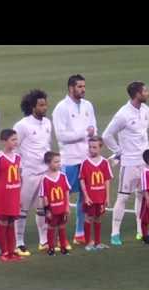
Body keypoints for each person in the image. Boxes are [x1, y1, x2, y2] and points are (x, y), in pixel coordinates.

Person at [102, 81, 149, 245]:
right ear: (137, 94)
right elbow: (107, 135)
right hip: (129, 162)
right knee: (123, 197)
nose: (147, 93)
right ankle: (115, 233)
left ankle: (140, 231)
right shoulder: (123, 114)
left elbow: (143, 135)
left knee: (142, 195)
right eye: (144, 91)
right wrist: (118, 152)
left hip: (144, 162)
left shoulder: (146, 110)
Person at [52, 74, 97, 245]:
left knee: (85, 198)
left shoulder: (88, 105)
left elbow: (94, 129)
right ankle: (55, 235)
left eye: (84, 86)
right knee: (62, 198)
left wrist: (92, 142)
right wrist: (85, 133)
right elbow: (61, 136)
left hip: (86, 159)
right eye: (79, 86)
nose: (82, 89)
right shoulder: (61, 108)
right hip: (69, 159)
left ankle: (79, 233)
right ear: (71, 88)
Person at [13, 89, 57, 256]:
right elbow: (15, 149)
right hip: (28, 173)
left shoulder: (47, 123)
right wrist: (17, 173)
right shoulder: (22, 125)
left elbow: (47, 145)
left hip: (44, 173)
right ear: (33, 107)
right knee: (22, 209)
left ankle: (44, 241)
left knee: (43, 209)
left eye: (45, 104)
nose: (44, 107)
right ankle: (19, 242)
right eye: (41, 105)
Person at [0, 129, 22, 262]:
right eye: (12, 139)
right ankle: (4, 252)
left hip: (14, 194)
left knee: (11, 222)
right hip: (3, 195)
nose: (16, 142)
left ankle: (11, 251)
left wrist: (19, 193)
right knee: (3, 222)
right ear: (4, 141)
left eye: (16, 139)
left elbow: (19, 176)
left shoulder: (18, 157)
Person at [79, 136, 113, 251]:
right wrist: (86, 196)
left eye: (94, 147)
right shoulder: (85, 163)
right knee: (88, 218)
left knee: (98, 218)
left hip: (101, 198)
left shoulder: (104, 163)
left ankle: (98, 242)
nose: (91, 149)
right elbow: (82, 180)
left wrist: (107, 197)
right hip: (90, 198)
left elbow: (107, 180)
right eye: (90, 147)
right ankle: (88, 242)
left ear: (100, 148)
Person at [39, 151, 71, 256]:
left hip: (62, 208)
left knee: (62, 227)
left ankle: (63, 248)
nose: (58, 164)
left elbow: (66, 191)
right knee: (51, 227)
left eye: (59, 161)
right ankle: (51, 248)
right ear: (48, 163)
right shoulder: (45, 178)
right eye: (56, 162)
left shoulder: (62, 176)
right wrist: (47, 210)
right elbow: (44, 196)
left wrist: (67, 206)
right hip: (52, 210)